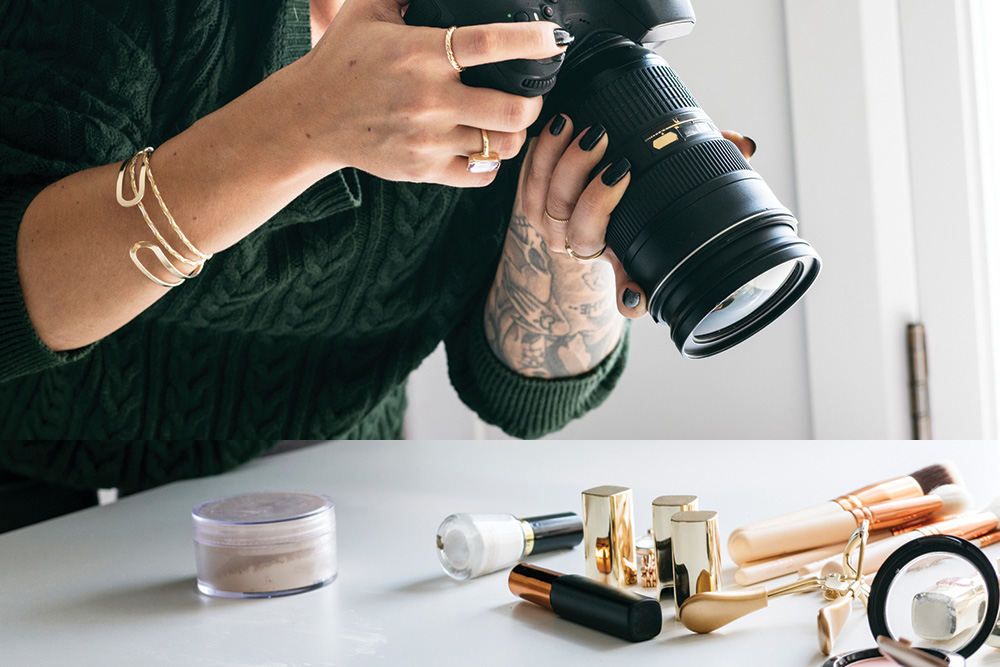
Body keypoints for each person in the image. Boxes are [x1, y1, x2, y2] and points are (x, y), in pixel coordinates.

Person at [0, 0, 755, 525]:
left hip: (330, 482)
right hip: (39, 472)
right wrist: (304, 126)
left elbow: (523, 401)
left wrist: (565, 242)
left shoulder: (529, 26)